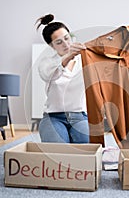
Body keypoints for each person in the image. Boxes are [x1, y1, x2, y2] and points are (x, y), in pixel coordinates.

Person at [35, 14, 89, 143]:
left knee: (89, 149)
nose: (65, 44)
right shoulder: (47, 63)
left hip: (79, 116)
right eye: (59, 42)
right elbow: (47, 74)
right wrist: (68, 57)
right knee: (58, 150)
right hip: (53, 117)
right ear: (52, 46)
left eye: (67, 38)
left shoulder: (84, 61)